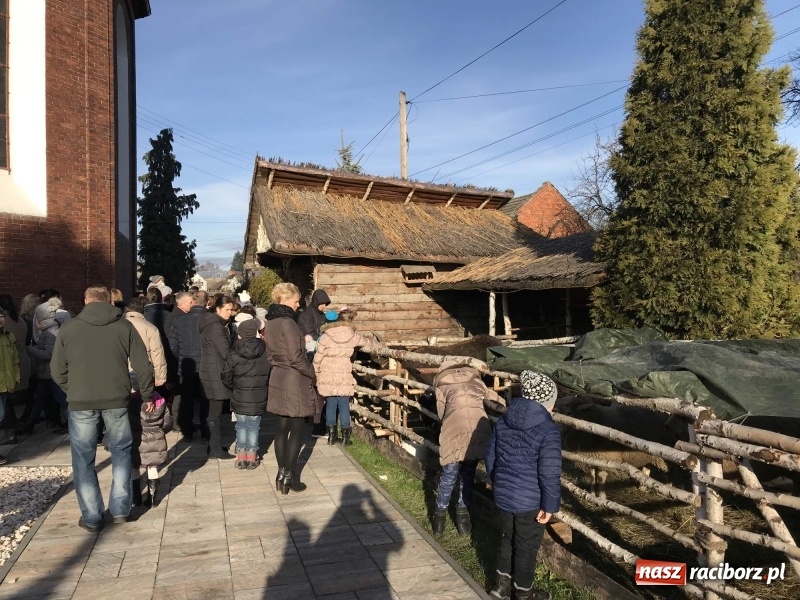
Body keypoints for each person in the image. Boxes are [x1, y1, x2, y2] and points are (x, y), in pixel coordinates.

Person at [51, 285, 154, 532]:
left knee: (83, 457)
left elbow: (57, 371)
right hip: (116, 399)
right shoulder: (123, 326)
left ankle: (93, 515)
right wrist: (148, 394)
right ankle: (120, 509)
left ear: (86, 300)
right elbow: (144, 365)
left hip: (81, 401)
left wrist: (72, 389)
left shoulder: (69, 328)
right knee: (121, 452)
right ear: (109, 302)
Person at [485, 371, 562, 600]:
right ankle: (524, 593)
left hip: (505, 496)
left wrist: (499, 483)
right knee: (526, 546)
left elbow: (490, 457)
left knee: (508, 538)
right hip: (531, 502)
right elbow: (549, 472)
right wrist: (549, 506)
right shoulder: (548, 430)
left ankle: (501, 586)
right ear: (548, 403)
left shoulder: (504, 421)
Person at [431, 357, 503, 537]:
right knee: (469, 472)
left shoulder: (442, 385)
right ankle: (463, 516)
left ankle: (439, 518)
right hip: (477, 431)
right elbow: (496, 400)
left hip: (454, 429)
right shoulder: (476, 382)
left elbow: (441, 412)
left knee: (449, 473)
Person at [264, 282, 316, 495]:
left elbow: (269, 355)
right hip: (294, 380)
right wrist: (314, 374)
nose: (298, 304)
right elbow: (296, 357)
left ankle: (281, 475)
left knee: (281, 429)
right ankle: (290, 477)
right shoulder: (289, 323)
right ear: (285, 299)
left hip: (278, 376)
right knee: (296, 430)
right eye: (296, 300)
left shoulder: (270, 323)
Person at [124, 297, 168, 505]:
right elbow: (158, 354)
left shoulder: (119, 326)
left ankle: (134, 494)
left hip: (124, 379)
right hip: (146, 378)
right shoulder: (150, 327)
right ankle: (153, 494)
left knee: (132, 425)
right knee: (149, 419)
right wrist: (160, 378)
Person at [312, 309, 376, 446]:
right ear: (351, 321)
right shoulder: (352, 335)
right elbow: (367, 343)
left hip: (327, 372)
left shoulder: (326, 335)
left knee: (330, 403)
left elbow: (318, 357)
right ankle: (346, 437)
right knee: (344, 404)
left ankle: (331, 436)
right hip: (343, 372)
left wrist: (316, 373)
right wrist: (379, 345)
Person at [222, 318, 270, 470]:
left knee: (241, 425)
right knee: (254, 426)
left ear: (240, 333)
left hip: (239, 394)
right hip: (259, 395)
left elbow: (226, 375)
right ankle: (252, 456)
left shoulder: (233, 351)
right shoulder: (265, 350)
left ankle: (241, 457)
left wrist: (234, 387)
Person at [21, 298, 70, 435]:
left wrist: (31, 350)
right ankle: (31, 423)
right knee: (39, 398)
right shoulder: (53, 329)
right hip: (46, 372)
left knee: (61, 400)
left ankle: (71, 424)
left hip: (50, 372)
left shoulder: (49, 333)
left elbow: (48, 354)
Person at [168, 290, 208, 440]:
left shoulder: (179, 320)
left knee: (187, 399)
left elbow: (173, 346)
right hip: (206, 366)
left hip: (186, 366)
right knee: (206, 400)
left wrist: (182, 357)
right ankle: (206, 430)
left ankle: (187, 431)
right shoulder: (211, 319)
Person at [199, 294, 235, 459]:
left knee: (214, 411)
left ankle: (213, 446)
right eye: (227, 309)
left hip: (211, 371)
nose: (230, 313)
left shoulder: (213, 323)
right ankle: (215, 448)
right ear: (218, 309)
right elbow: (226, 351)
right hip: (215, 373)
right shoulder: (216, 326)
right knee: (215, 412)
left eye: (231, 309)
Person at [0, 295, 29, 439]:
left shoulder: (6, 330)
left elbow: (12, 357)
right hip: (21, 363)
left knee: (4, 409)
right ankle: (14, 427)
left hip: (8, 371)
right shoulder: (20, 319)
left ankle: (11, 431)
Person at [0, 311, 20, 465]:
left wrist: (16, 378)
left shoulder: (8, 336)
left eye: (1, 317)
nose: (0, 320)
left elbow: (14, 360)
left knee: (1, 416)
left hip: (6, 384)